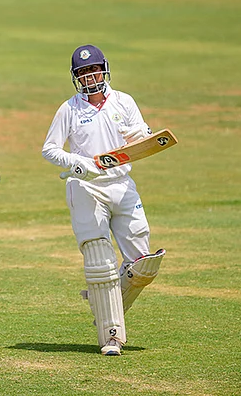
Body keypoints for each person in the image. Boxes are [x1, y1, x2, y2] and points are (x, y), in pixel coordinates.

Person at [41, 45, 166, 357]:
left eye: (93, 70)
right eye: (83, 73)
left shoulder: (124, 102)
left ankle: (102, 303)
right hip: (86, 186)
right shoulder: (69, 109)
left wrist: (141, 139)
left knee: (144, 265)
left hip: (122, 183)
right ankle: (112, 336)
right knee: (101, 262)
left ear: (104, 70)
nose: (89, 77)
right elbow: (50, 149)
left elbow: (141, 139)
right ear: (76, 78)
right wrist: (76, 163)